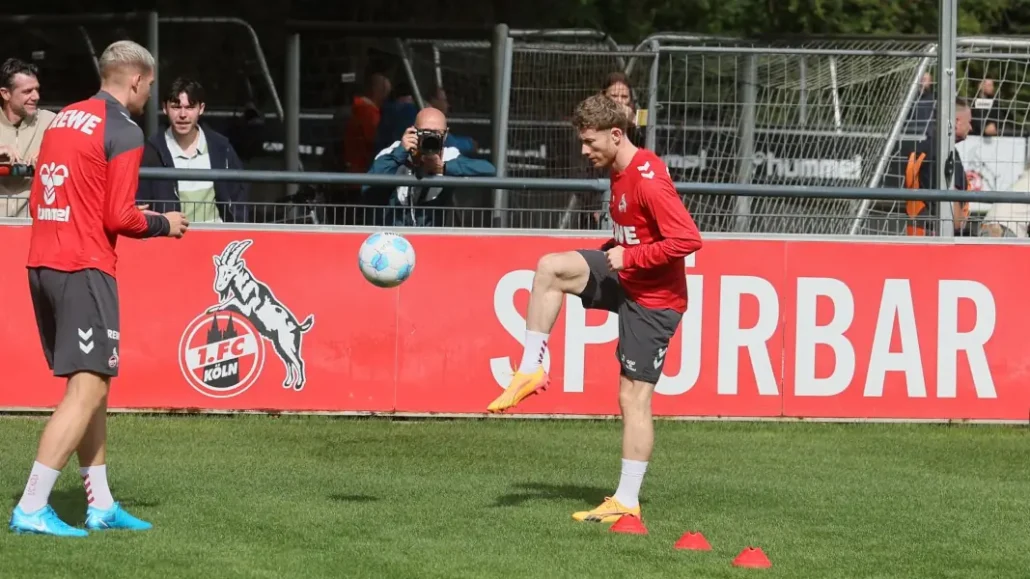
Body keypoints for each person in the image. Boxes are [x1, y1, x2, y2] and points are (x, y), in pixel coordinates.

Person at [487, 94, 703, 524]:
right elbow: (635, 234)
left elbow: (688, 240)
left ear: (616, 134)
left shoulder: (647, 179)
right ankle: (531, 368)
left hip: (654, 301)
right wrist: (616, 250)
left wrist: (631, 257)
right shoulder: (618, 172)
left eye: (589, 142)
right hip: (625, 275)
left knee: (632, 398)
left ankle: (626, 500)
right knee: (551, 268)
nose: (584, 150)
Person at [9, 40, 189, 538]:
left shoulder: (64, 117)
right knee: (87, 387)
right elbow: (121, 216)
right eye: (151, 87)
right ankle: (31, 506)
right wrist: (164, 223)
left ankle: (102, 504)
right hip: (83, 265)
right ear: (135, 80)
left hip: (43, 260)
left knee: (93, 390)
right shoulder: (123, 130)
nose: (149, 96)